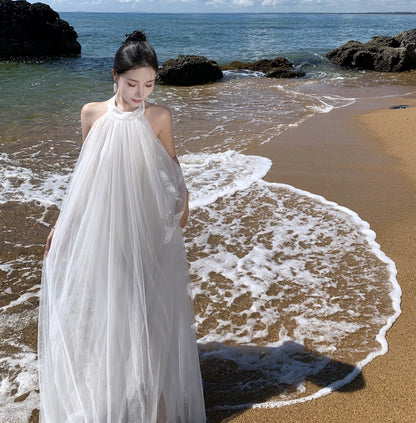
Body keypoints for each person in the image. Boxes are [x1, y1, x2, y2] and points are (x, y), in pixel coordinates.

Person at [38, 30, 206, 422]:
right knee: (112, 306)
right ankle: (115, 391)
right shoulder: (91, 113)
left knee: (150, 309)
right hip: (106, 221)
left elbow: (171, 163)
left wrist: (185, 198)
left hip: (147, 221)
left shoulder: (158, 116)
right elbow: (85, 176)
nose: (140, 93)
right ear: (114, 76)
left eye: (149, 84)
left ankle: (158, 402)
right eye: (132, 83)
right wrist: (62, 223)